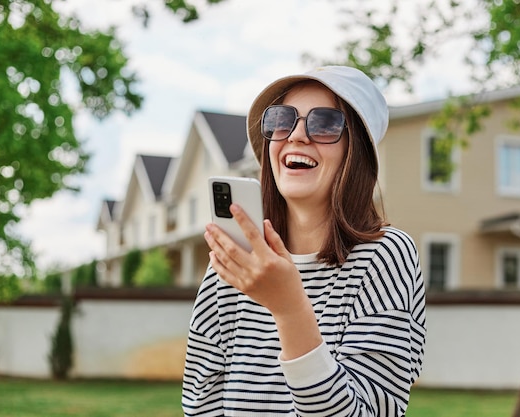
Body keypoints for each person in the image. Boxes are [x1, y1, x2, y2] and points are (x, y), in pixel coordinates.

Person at [182, 65, 426, 416]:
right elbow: (200, 404)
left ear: (355, 153)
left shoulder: (386, 255)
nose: (296, 136)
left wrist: (289, 309)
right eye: (282, 119)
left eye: (325, 123)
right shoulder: (237, 259)